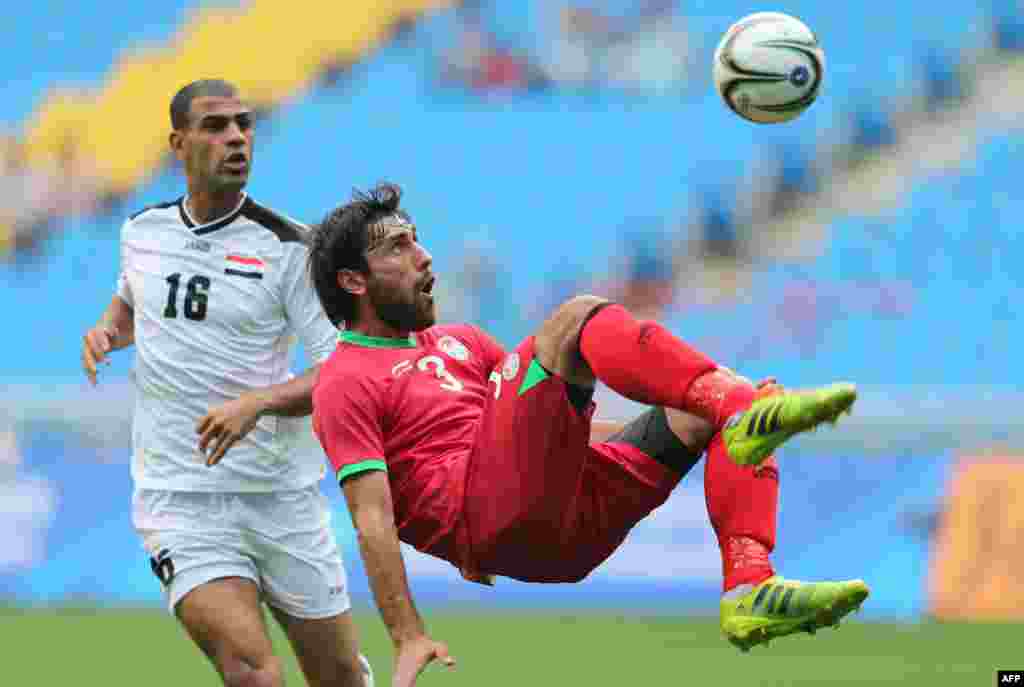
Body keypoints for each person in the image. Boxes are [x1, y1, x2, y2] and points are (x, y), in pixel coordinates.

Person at [307, 184, 869, 686]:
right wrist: (407, 633)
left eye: (417, 240)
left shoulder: (463, 343)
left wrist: (680, 418)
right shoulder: (343, 380)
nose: (424, 256)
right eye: (397, 248)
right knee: (576, 319)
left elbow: (553, 428)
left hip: (563, 533)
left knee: (707, 409)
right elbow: (372, 518)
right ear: (354, 281)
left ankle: (750, 587)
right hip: (490, 517)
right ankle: (737, 404)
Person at [80, 80, 371, 687]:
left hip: (281, 497)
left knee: (339, 677)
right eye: (216, 126)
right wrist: (110, 327)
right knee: (250, 672)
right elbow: (138, 300)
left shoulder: (293, 249)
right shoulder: (142, 231)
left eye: (244, 124)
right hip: (180, 497)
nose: (236, 137)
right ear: (177, 143)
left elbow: (344, 372)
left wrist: (260, 404)